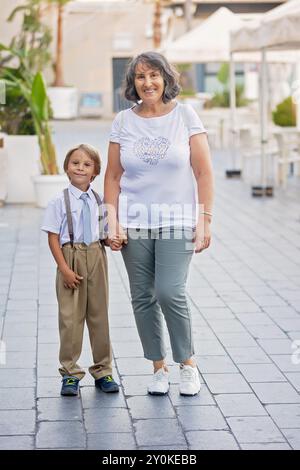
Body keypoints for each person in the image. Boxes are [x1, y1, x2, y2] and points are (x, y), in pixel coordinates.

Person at [104, 52, 214, 397]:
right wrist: (112, 222)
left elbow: (203, 172)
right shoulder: (123, 120)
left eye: (153, 75)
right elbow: (113, 175)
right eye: (140, 77)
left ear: (166, 78)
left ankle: (187, 364)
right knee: (143, 297)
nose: (147, 82)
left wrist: (205, 219)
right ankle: (158, 367)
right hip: (134, 222)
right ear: (132, 83)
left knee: (171, 291)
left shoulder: (184, 115)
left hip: (178, 220)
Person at [41, 144, 119, 396]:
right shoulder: (58, 201)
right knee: (70, 319)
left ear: (95, 172)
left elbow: (105, 235)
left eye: (87, 165)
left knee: (99, 316)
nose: (80, 168)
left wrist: (113, 240)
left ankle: (103, 370)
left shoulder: (99, 201)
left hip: (96, 255)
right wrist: (64, 268)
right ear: (66, 168)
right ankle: (70, 373)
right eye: (75, 163)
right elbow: (53, 237)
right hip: (70, 256)